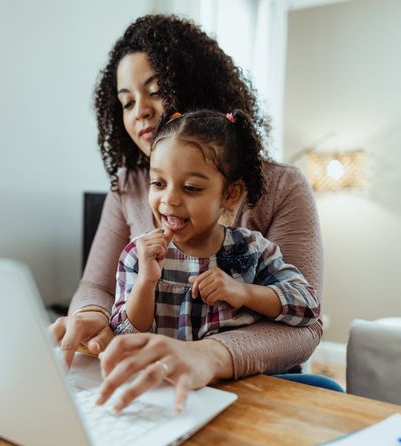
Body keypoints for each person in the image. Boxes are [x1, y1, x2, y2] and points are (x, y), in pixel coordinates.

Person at [51, 14, 330, 409]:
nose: (140, 112)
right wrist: (91, 315)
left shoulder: (282, 188)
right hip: (162, 391)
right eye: (127, 101)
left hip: (255, 390)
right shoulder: (128, 185)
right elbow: (97, 287)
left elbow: (306, 322)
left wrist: (210, 354)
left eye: (155, 91)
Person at [101, 109, 321, 411]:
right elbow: (125, 336)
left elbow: (308, 305)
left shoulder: (253, 249)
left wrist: (244, 292)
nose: (169, 200)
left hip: (244, 396)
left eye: (191, 188)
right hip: (165, 397)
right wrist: (146, 282)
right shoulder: (138, 255)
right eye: (158, 183)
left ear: (230, 195)